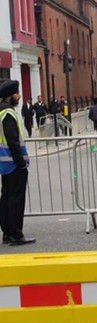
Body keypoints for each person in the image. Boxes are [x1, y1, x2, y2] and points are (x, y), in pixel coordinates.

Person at [0, 80, 35, 246]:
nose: (19, 96)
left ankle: (7, 232)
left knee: (6, 197)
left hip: (4, 163)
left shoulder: (1, 111)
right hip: (13, 163)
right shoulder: (8, 113)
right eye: (17, 93)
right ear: (10, 96)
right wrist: (21, 162)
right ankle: (16, 234)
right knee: (16, 199)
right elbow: (13, 140)